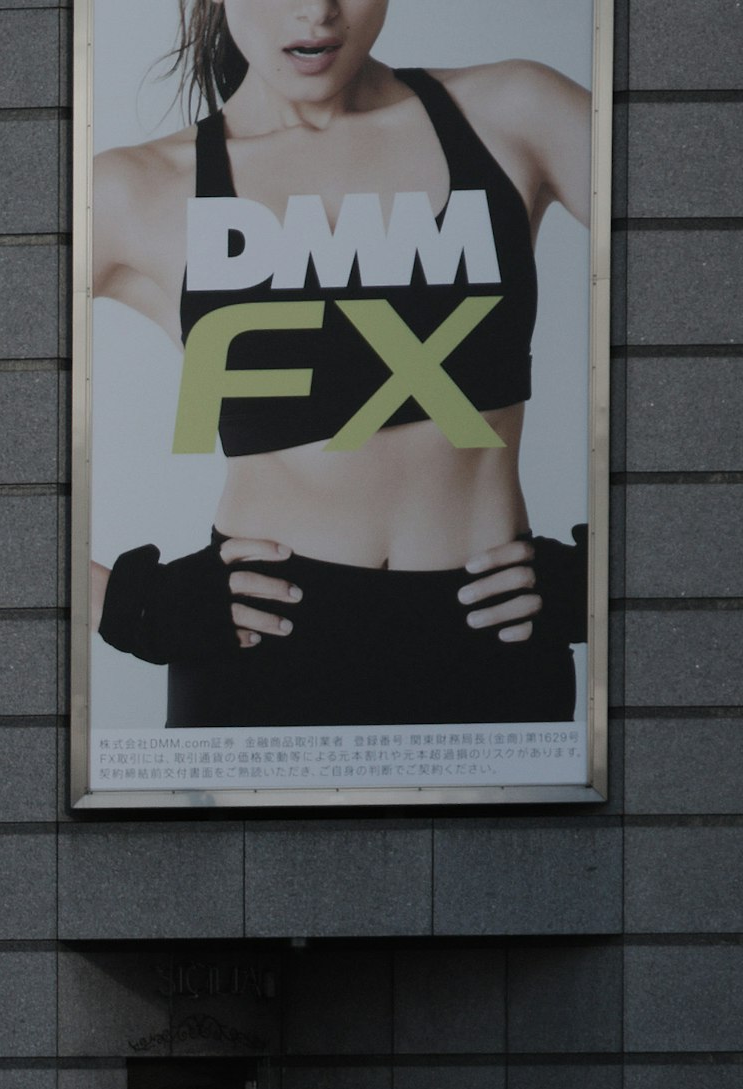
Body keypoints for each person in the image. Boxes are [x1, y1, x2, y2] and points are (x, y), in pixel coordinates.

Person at [85, 0, 593, 728]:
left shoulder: (516, 112)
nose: (317, 12)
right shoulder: (137, 191)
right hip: (258, 654)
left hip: (492, 638)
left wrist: (622, 577)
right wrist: (127, 605)